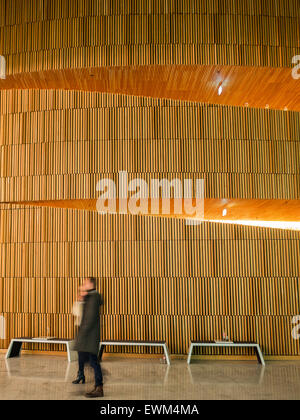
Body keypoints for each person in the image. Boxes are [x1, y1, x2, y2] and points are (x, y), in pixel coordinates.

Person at [72, 277, 104, 398]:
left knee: (93, 362)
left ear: (91, 284)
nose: (83, 285)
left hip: (89, 336)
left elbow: (89, 318)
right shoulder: (90, 297)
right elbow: (78, 313)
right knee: (90, 360)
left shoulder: (94, 297)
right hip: (88, 336)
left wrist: (82, 335)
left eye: (85, 283)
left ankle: (99, 386)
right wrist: (81, 298)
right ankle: (97, 385)